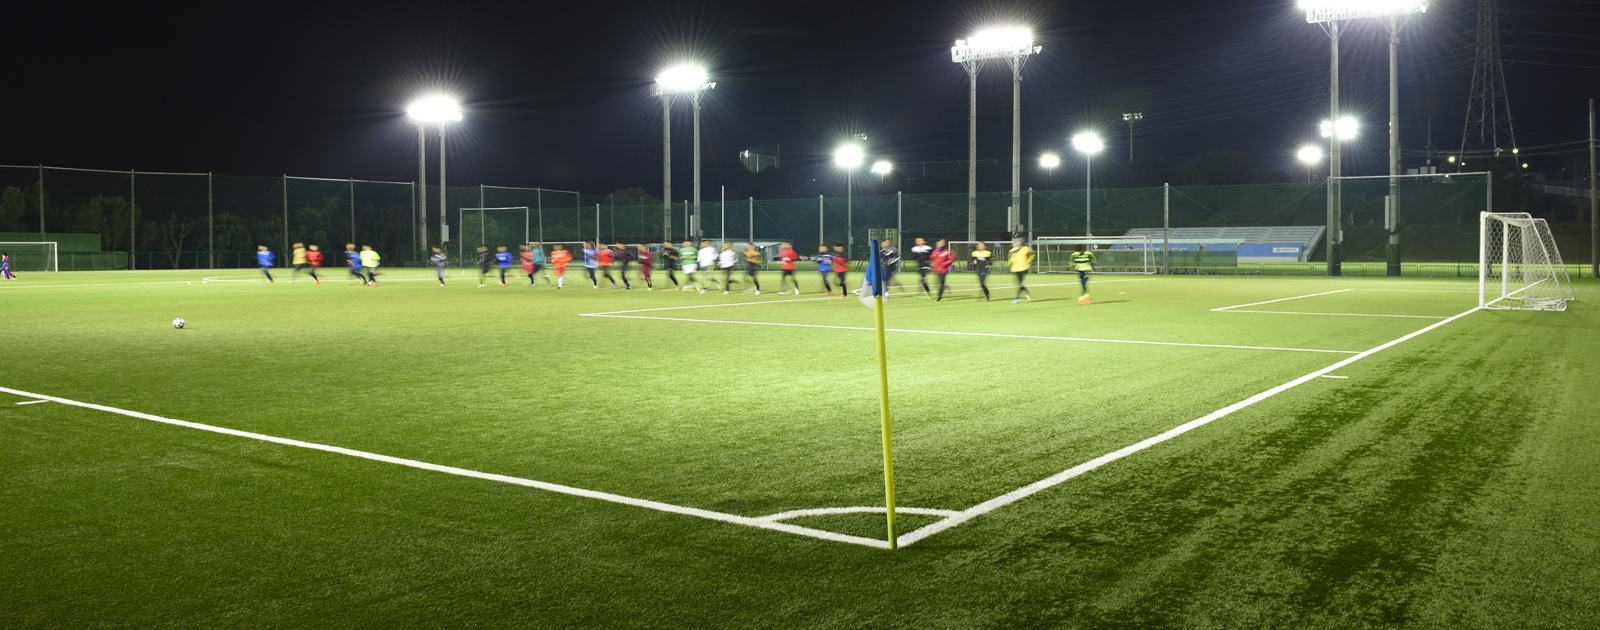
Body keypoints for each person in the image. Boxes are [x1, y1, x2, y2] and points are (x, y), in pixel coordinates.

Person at [1008, 237, 1034, 303]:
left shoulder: (1026, 249)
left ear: (1021, 243)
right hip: (1016, 268)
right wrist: (1011, 267)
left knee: (1020, 283)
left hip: (1023, 267)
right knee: (1020, 283)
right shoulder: (1012, 250)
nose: (1016, 243)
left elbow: (1033, 254)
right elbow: (1011, 260)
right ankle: (1027, 292)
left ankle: (1018, 297)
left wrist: (1029, 261)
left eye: (1017, 242)